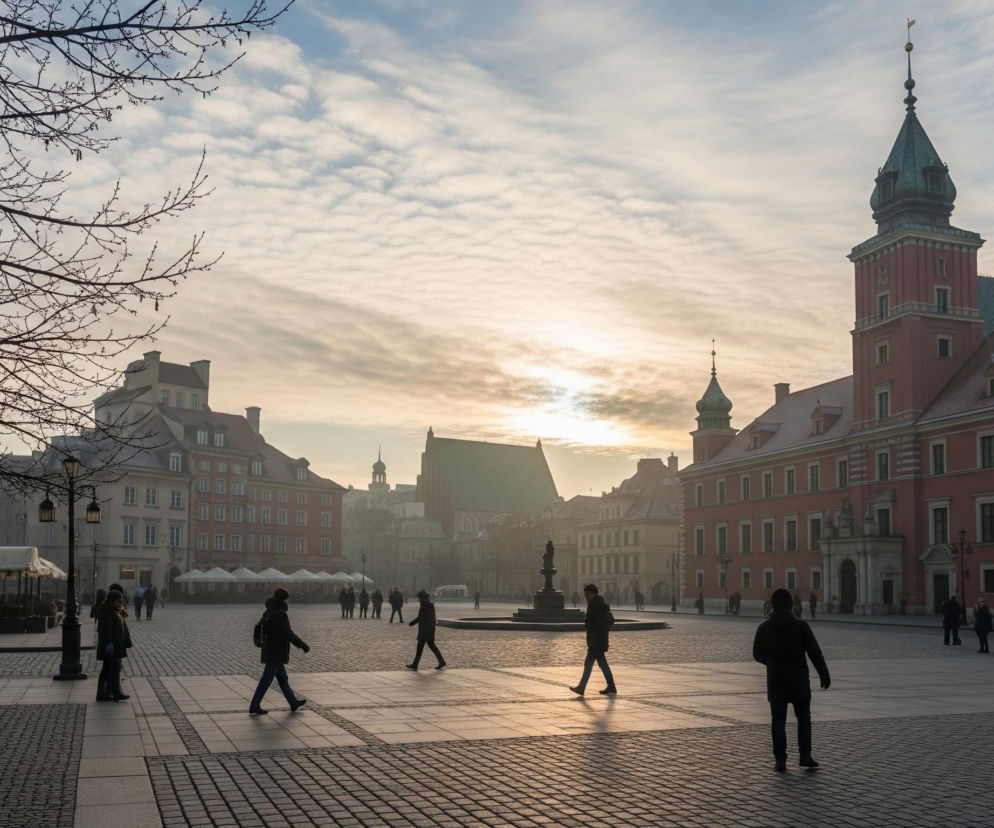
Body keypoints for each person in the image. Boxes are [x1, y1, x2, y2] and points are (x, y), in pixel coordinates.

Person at [753, 588, 830, 772]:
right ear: (790, 604)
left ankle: (780, 760)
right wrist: (824, 673)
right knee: (804, 718)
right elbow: (814, 652)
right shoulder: (801, 626)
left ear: (773, 605)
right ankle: (805, 755)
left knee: (778, 720)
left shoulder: (764, 628)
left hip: (776, 680)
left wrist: (771, 662)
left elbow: (757, 654)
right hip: (799, 680)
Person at [249, 587, 309, 715]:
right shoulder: (280, 613)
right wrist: (302, 645)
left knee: (282, 679)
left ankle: (293, 702)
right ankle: (254, 705)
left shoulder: (269, 611)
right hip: (276, 651)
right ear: (284, 599)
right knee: (266, 680)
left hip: (271, 650)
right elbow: (287, 633)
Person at [569, 583, 616, 696]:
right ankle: (612, 687)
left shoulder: (597, 605)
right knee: (603, 665)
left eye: (588, 594)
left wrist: (595, 628)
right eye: (585, 594)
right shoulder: (594, 604)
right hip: (597, 639)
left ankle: (581, 687)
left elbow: (605, 621)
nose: (586, 596)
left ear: (594, 593)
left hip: (597, 640)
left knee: (588, 663)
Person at [95, 590, 131, 701]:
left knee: (110, 668)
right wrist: (109, 643)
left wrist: (127, 637)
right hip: (110, 646)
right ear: (112, 601)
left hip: (118, 644)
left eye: (121, 601)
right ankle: (113, 692)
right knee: (114, 667)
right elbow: (105, 630)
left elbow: (124, 623)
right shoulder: (106, 611)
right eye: (119, 601)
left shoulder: (117, 610)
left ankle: (107, 692)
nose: (121, 603)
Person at [406, 589, 445, 670]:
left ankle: (415, 664)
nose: (418, 599)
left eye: (419, 598)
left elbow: (420, 617)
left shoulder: (425, 605)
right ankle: (441, 662)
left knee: (423, 647)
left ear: (423, 598)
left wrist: (412, 623)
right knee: (427, 647)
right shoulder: (428, 604)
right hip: (428, 629)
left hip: (426, 630)